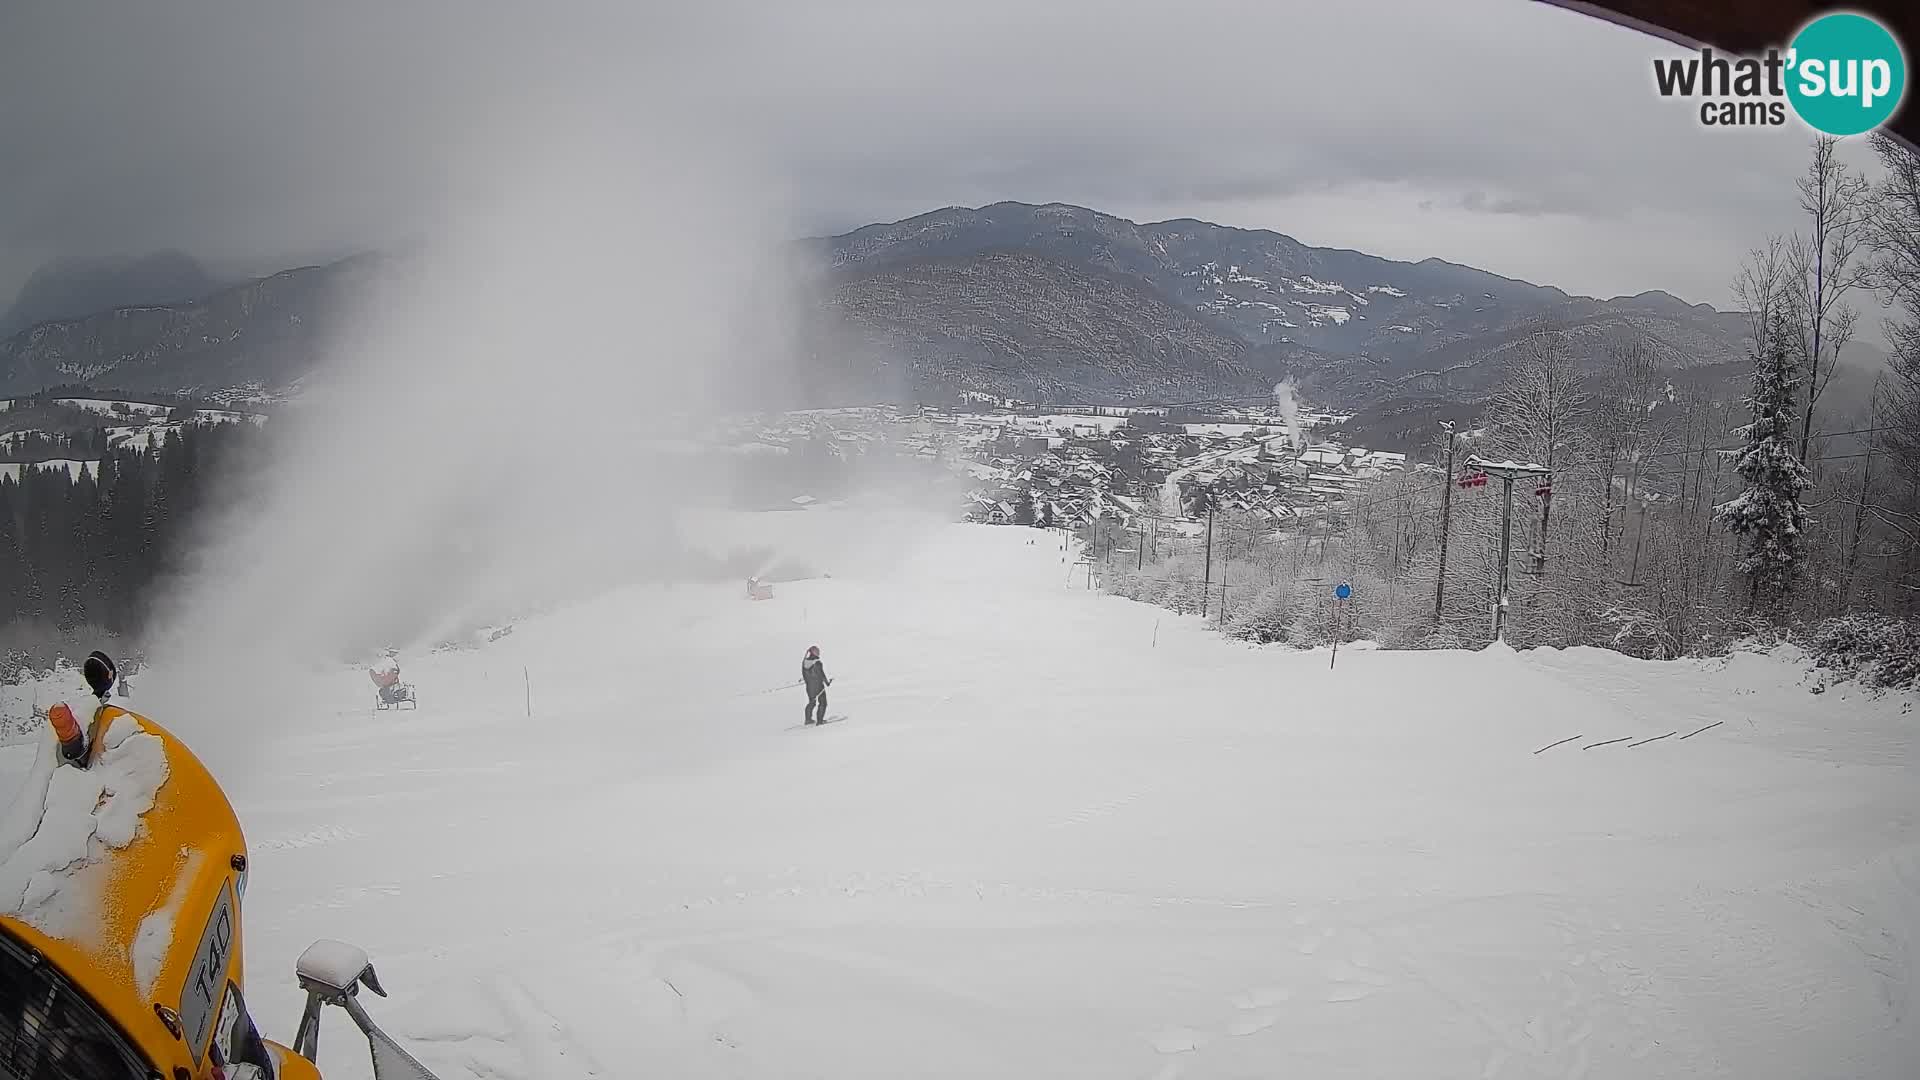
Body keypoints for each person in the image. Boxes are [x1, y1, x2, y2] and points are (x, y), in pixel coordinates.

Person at [801, 645, 832, 725]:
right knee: (823, 703)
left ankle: (808, 720)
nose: (818, 652)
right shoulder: (817, 662)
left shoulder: (804, 662)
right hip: (819, 687)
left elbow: (805, 675)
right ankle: (820, 721)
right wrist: (827, 683)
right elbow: (821, 674)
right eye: (817, 651)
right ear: (813, 652)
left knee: (812, 702)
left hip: (809, 687)